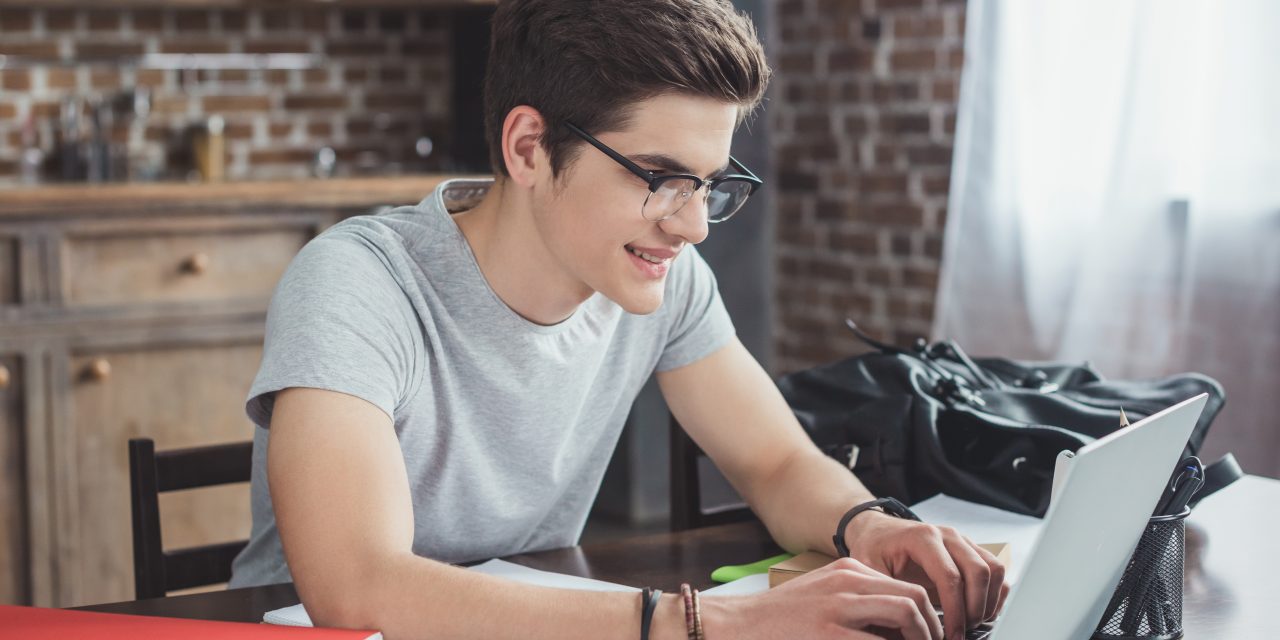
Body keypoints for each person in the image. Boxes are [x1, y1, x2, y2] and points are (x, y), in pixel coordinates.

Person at [228, 1, 1008, 638]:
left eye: (709, 183)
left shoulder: (661, 276)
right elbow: (357, 587)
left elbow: (775, 464)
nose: (694, 225)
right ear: (529, 148)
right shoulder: (358, 281)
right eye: (662, 178)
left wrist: (867, 524)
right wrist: (705, 624)